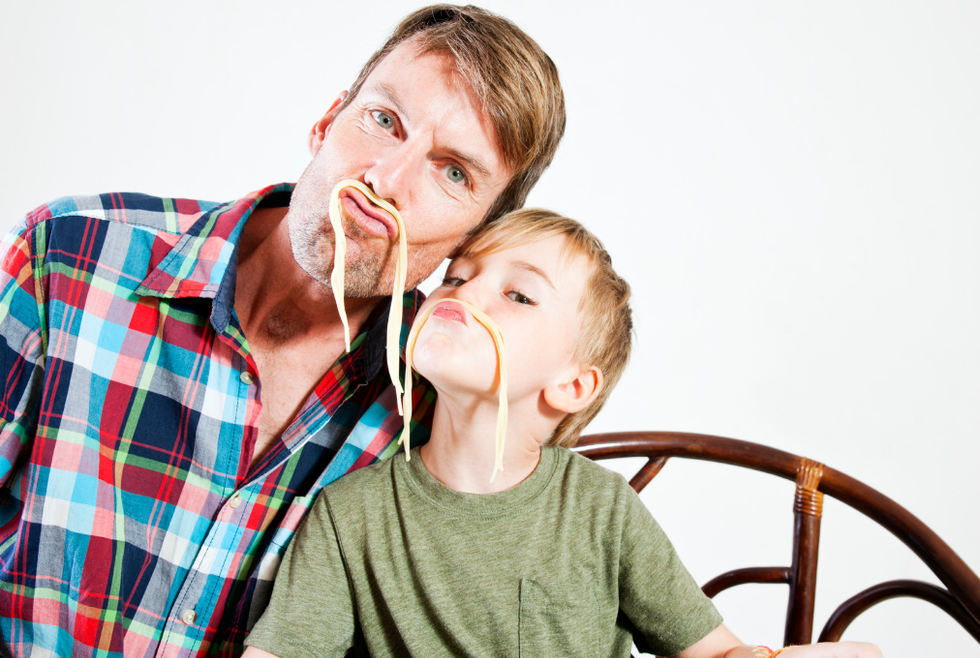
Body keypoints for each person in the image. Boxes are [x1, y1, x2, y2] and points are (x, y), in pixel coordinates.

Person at [0, 6, 564, 657]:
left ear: (477, 238)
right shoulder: (69, 256)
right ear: (326, 122)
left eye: (453, 172)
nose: (384, 181)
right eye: (384, 120)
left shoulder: (444, 417)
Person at [240, 209, 882, 658]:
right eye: (457, 277)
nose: (465, 294)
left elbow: (715, 652)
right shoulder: (351, 514)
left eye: (519, 295)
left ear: (572, 385)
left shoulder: (601, 511)